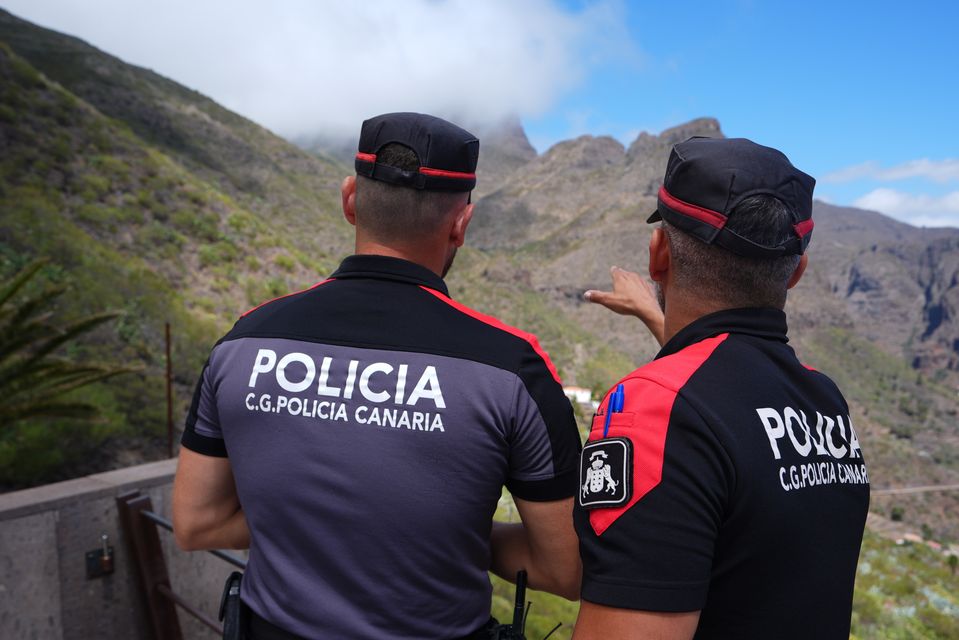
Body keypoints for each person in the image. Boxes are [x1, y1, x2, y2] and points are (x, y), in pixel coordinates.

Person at [172, 112, 583, 639]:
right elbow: (563, 568)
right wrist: (435, 529)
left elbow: (195, 523)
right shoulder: (512, 368)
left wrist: (315, 521)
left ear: (349, 200)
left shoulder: (243, 341)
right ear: (462, 222)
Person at [573, 137, 870, 639]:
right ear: (796, 271)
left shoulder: (653, 406)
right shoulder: (824, 400)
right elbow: (722, 382)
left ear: (658, 253)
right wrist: (653, 313)